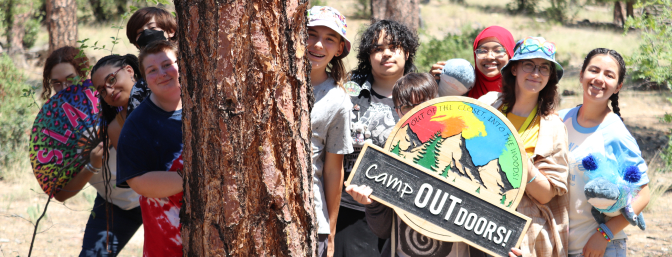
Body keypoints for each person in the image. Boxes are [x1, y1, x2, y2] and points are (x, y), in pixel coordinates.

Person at [479, 37, 569, 257]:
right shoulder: (489, 104)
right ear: (514, 69)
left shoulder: (553, 127)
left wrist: (517, 157)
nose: (536, 73)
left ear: (550, 77)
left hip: (522, 233)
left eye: (544, 67)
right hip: (476, 221)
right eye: (528, 64)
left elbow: (546, 195)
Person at [336, 19, 419, 257]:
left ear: (407, 51)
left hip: (401, 212)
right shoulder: (347, 91)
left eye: (393, 47)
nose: (386, 54)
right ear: (368, 55)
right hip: (350, 208)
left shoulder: (424, 94)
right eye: (377, 48)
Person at [559, 48, 650, 257]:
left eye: (609, 75)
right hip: (562, 245)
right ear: (581, 75)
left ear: (618, 87)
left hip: (599, 248)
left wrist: (604, 234)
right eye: (594, 70)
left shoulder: (616, 133)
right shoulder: (560, 119)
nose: (599, 79)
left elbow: (643, 194)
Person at [116, 40, 184, 257]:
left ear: (182, 64)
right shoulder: (137, 124)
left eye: (167, 65)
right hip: (167, 239)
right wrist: (191, 179)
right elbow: (137, 181)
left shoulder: (208, 103)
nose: (162, 73)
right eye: (152, 70)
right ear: (145, 79)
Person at [306, 6, 354, 257]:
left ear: (338, 50)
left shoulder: (338, 100)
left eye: (329, 39)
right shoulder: (269, 80)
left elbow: (334, 169)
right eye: (311, 34)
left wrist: (331, 230)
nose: (318, 45)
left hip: (312, 221)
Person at [430, 26, 514, 99]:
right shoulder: (462, 85)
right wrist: (430, 85)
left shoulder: (521, 89)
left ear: (510, 54)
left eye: (498, 50)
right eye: (482, 51)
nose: (489, 56)